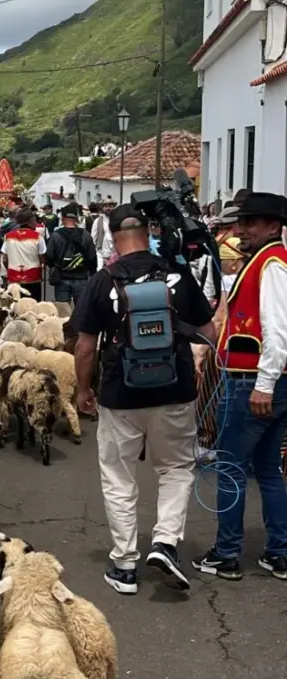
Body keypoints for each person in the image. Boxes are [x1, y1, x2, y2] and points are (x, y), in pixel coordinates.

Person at [73, 202, 215, 595]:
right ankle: (166, 542)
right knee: (175, 468)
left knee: (119, 476)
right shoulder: (178, 275)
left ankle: (124, 565)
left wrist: (84, 390)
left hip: (121, 394)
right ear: (148, 232)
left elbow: (85, 347)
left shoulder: (102, 282)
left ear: (114, 238)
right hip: (175, 391)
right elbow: (208, 332)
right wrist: (193, 355)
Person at [194, 192, 287, 583]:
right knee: (267, 469)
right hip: (263, 382)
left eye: (251, 223)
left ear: (273, 227)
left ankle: (228, 553)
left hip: (255, 383)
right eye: (241, 223)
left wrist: (264, 384)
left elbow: (278, 330)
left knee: (231, 467)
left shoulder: (272, 265)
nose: (242, 230)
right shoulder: (264, 262)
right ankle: (279, 552)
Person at [44, 203, 97, 306]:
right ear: (76, 217)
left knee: (63, 310)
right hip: (81, 277)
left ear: (63, 217)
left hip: (62, 277)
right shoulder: (85, 234)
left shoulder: (56, 235)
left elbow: (49, 255)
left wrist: (53, 266)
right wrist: (92, 272)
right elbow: (92, 256)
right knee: (81, 309)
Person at [2, 208, 46, 299]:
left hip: (14, 279)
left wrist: (10, 269)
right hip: (33, 278)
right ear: (29, 221)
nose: (35, 223)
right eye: (34, 220)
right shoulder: (38, 237)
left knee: (15, 306)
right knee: (33, 306)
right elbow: (42, 259)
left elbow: (5, 259)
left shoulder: (8, 236)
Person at [91, 199, 116, 268]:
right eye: (106, 206)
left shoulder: (117, 220)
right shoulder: (97, 221)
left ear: (113, 207)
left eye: (110, 206)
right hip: (100, 253)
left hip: (114, 253)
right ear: (103, 208)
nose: (108, 208)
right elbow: (93, 238)